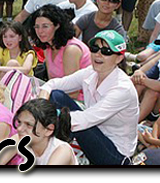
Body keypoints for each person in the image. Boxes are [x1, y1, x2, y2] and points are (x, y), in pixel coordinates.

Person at [39, 30, 139, 165]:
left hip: (115, 153)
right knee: (56, 96)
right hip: (94, 130)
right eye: (95, 48)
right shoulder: (90, 72)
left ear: (119, 58)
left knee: (75, 121)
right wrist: (41, 103)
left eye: (106, 51)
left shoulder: (122, 89)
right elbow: (53, 84)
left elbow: (86, 119)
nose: (98, 54)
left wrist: (42, 118)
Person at [29, 4, 91, 81]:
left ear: (57, 26)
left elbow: (72, 89)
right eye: (37, 27)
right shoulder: (48, 46)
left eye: (45, 26)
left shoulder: (71, 49)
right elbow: (51, 80)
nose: (40, 31)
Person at [14, 99, 77, 165]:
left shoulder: (62, 151)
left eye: (29, 125)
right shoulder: (22, 140)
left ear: (48, 130)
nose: (19, 128)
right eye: (19, 122)